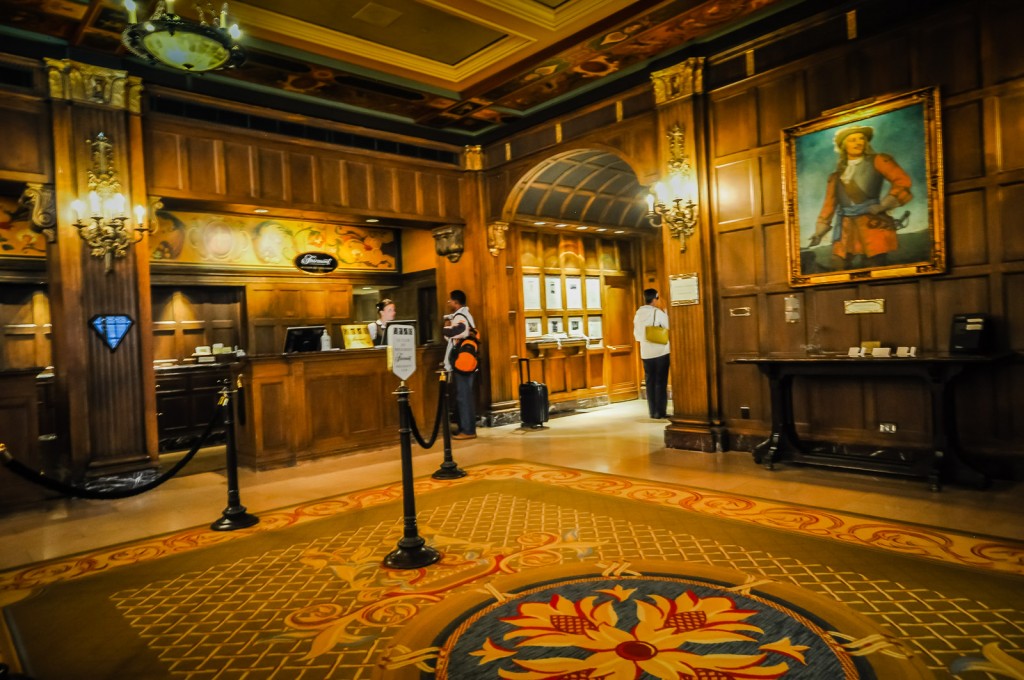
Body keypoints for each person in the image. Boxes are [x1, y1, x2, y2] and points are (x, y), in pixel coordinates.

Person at [807, 125, 912, 270]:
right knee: (838, 266)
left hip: (872, 224)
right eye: (853, 140)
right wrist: (819, 233)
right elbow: (829, 205)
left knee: (875, 266)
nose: (859, 142)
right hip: (845, 229)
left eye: (862, 139)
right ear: (844, 145)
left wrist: (884, 205)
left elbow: (902, 181)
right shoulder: (835, 177)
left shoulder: (879, 160)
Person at [442, 289, 477, 440]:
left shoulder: (460, 317)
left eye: (450, 300)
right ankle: (467, 427)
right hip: (468, 360)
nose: (448, 303)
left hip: (462, 362)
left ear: (456, 302)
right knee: (465, 396)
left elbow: (459, 331)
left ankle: (468, 430)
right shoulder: (464, 314)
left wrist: (446, 326)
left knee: (463, 397)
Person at [632, 288, 670, 419]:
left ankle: (652, 411)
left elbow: (636, 336)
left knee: (650, 382)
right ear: (655, 299)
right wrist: (666, 313)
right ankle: (660, 412)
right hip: (661, 351)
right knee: (660, 382)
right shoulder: (657, 313)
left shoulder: (638, 314)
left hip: (645, 353)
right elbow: (669, 326)